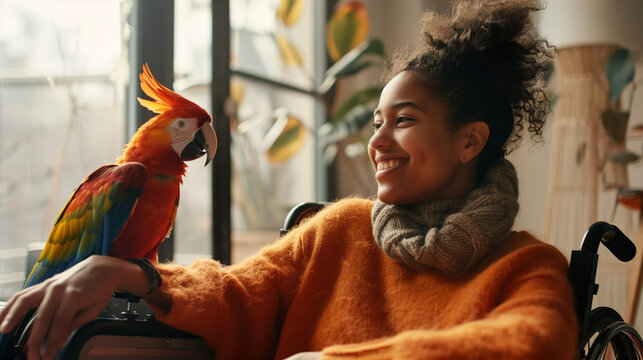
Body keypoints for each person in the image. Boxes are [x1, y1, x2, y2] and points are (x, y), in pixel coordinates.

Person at [0, 0, 578, 359]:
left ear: (470, 141)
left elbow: (533, 346)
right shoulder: (341, 232)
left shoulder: (526, 266)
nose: (376, 142)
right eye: (376, 122)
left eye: (402, 122)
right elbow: (236, 292)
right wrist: (129, 274)